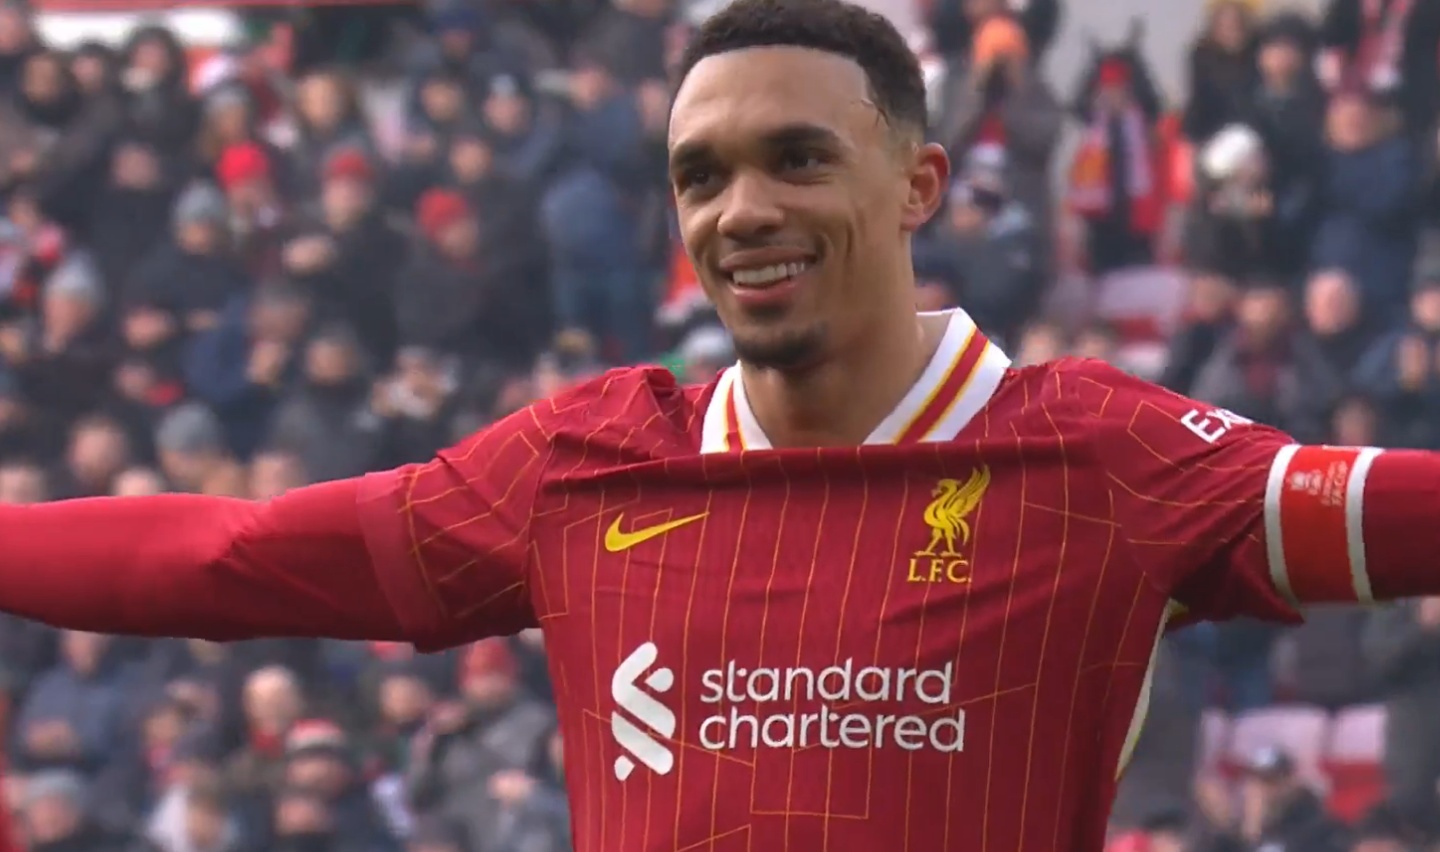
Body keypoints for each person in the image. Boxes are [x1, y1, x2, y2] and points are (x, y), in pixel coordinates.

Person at [0, 0, 1432, 849]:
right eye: (701, 175)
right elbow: (228, 559)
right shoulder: (579, 470)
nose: (741, 211)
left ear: (919, 185)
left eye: (799, 160)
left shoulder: (1103, 459)